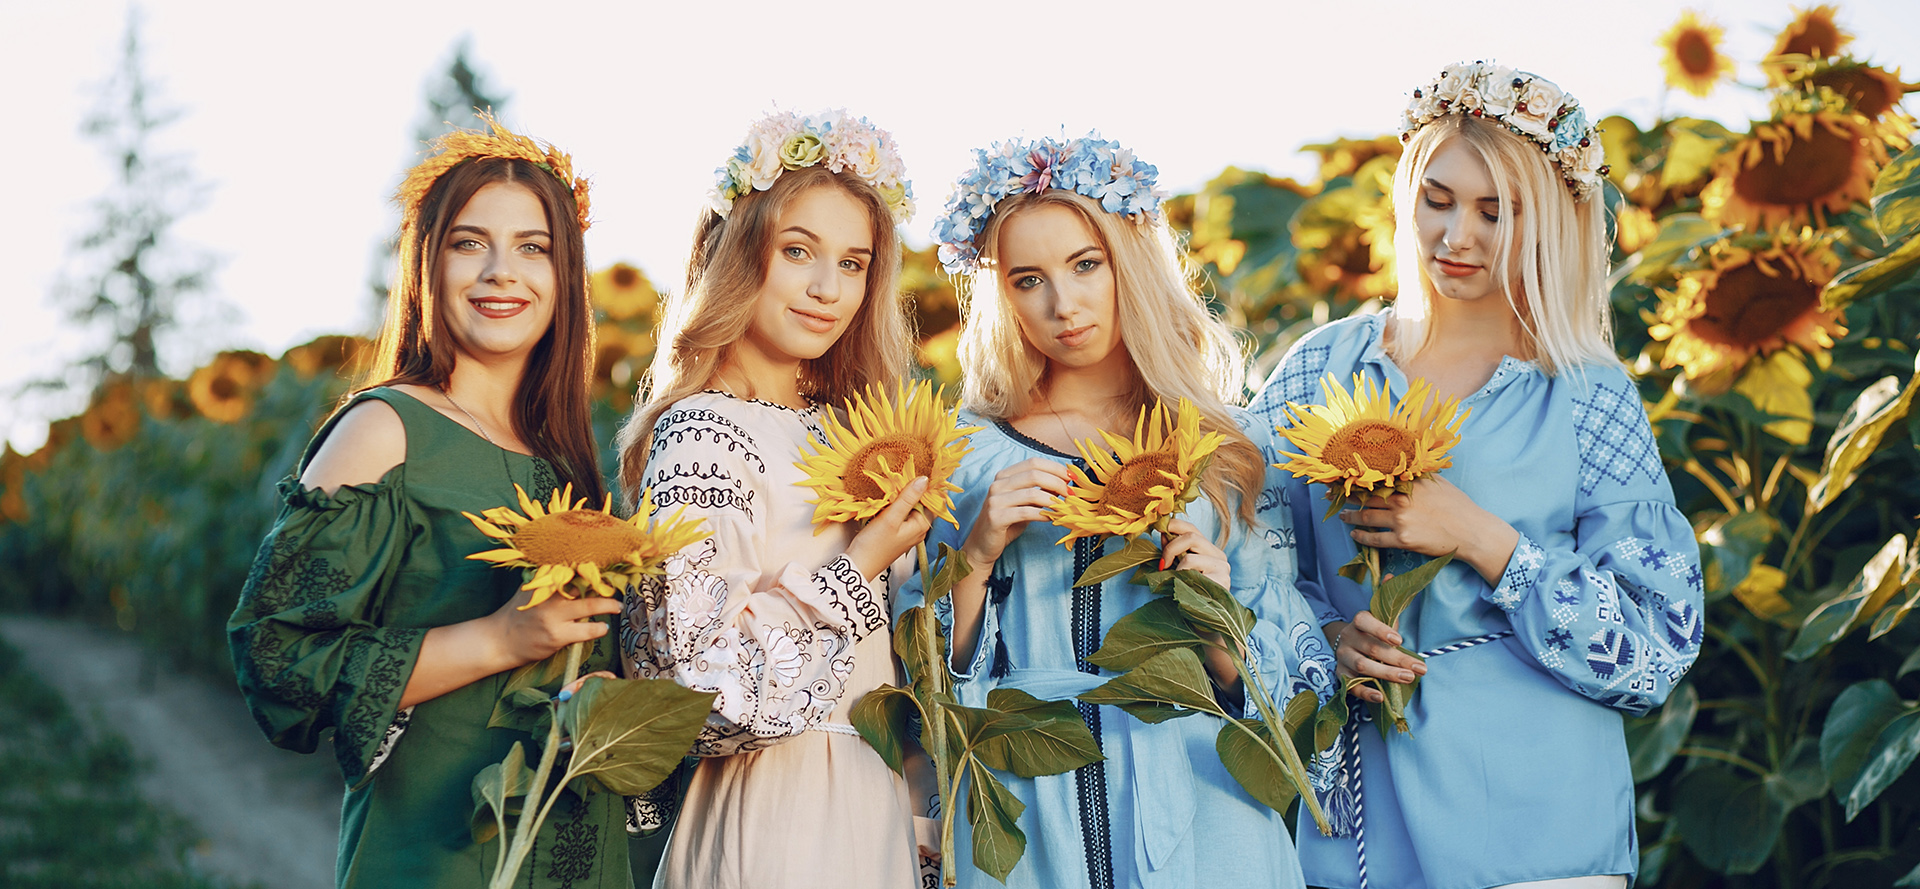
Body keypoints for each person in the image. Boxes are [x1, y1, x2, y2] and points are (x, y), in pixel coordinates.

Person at [1249, 62, 1705, 889]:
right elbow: (1247, 556)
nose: (1457, 236)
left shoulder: (1589, 394)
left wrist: (1484, 540)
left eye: (1498, 212)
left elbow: (1655, 647)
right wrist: (1324, 642)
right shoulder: (1320, 367)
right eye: (1439, 199)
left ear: (1556, 222)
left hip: (1542, 836)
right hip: (1353, 837)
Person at [913, 134, 1337, 889]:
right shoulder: (967, 450)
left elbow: (1299, 688)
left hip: (1208, 812)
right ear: (1000, 294)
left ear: (1128, 262)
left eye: (1085, 264)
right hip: (1026, 803)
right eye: (1027, 279)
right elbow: (921, 686)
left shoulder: (1227, 447)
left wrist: (1219, 618)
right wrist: (974, 560)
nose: (1062, 304)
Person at [229, 115, 631, 887]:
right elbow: (277, 657)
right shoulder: (386, 427)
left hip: (569, 849)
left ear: (564, 274)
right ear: (428, 263)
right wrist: (502, 639)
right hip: (431, 851)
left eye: (533, 246)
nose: (501, 272)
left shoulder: (568, 460)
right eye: (469, 242)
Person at [611, 109, 929, 889]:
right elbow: (694, 694)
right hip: (773, 815)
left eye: (854, 263)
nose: (829, 289)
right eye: (798, 252)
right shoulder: (701, 432)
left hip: (875, 802)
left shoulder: (856, 429)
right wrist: (856, 571)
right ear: (736, 253)